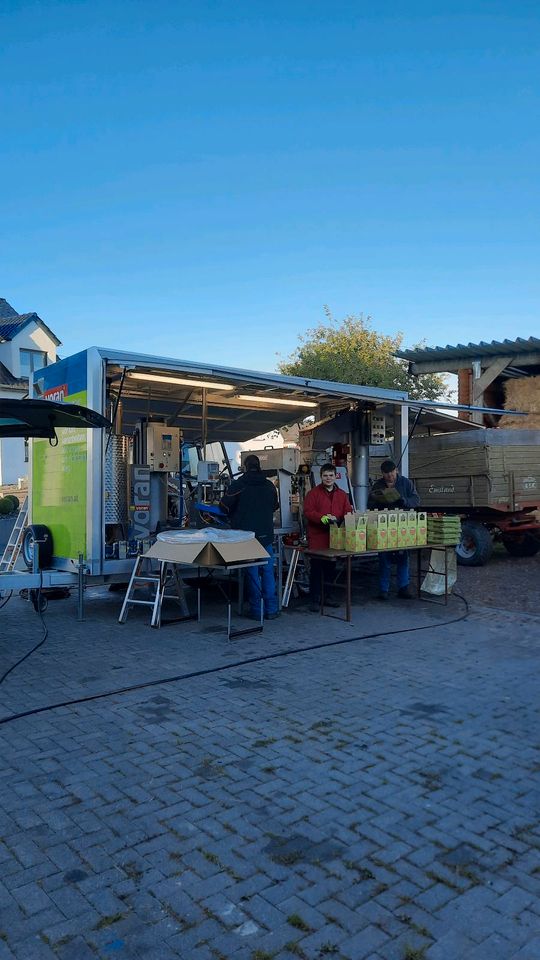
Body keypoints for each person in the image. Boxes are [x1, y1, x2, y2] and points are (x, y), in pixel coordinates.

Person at [220, 454, 280, 620]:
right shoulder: (269, 485)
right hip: (266, 535)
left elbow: (224, 506)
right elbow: (275, 505)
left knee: (253, 573)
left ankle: (256, 610)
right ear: (259, 466)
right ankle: (271, 610)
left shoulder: (239, 485)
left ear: (245, 467)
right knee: (268, 572)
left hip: (246, 537)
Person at [368, 458, 420, 601]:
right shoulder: (378, 485)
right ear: (382, 474)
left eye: (391, 472)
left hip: (402, 524)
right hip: (384, 525)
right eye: (386, 474)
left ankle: (403, 587)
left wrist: (404, 500)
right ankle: (383, 590)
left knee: (403, 557)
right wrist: (378, 501)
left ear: (396, 470)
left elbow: (416, 500)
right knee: (384, 558)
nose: (389, 476)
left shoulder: (406, 483)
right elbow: (370, 503)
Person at [303, 463, 353, 611]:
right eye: (325, 476)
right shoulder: (313, 494)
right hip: (318, 537)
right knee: (317, 568)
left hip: (334, 537)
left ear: (335, 476)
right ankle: (315, 599)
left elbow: (348, 510)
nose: (328, 478)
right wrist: (322, 518)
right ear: (321, 477)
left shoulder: (342, 494)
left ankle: (328, 597)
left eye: (331, 475)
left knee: (331, 568)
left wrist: (345, 519)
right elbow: (308, 512)